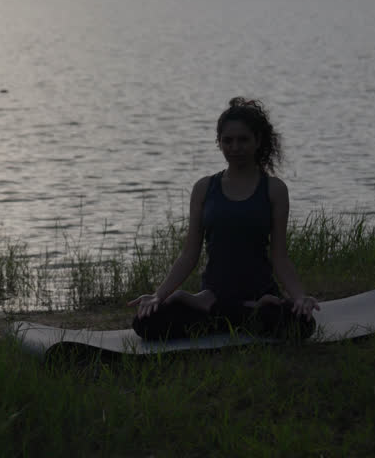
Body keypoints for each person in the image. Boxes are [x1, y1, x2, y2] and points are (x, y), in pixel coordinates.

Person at [127, 97, 320, 341]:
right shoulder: (204, 188)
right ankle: (238, 314)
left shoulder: (274, 189)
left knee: (302, 324)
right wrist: (159, 295)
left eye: (243, 140)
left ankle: (236, 313)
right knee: (146, 323)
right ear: (219, 143)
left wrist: (299, 296)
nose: (235, 147)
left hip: (259, 292)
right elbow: (189, 254)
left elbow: (279, 256)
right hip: (213, 295)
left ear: (258, 141)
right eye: (227, 140)